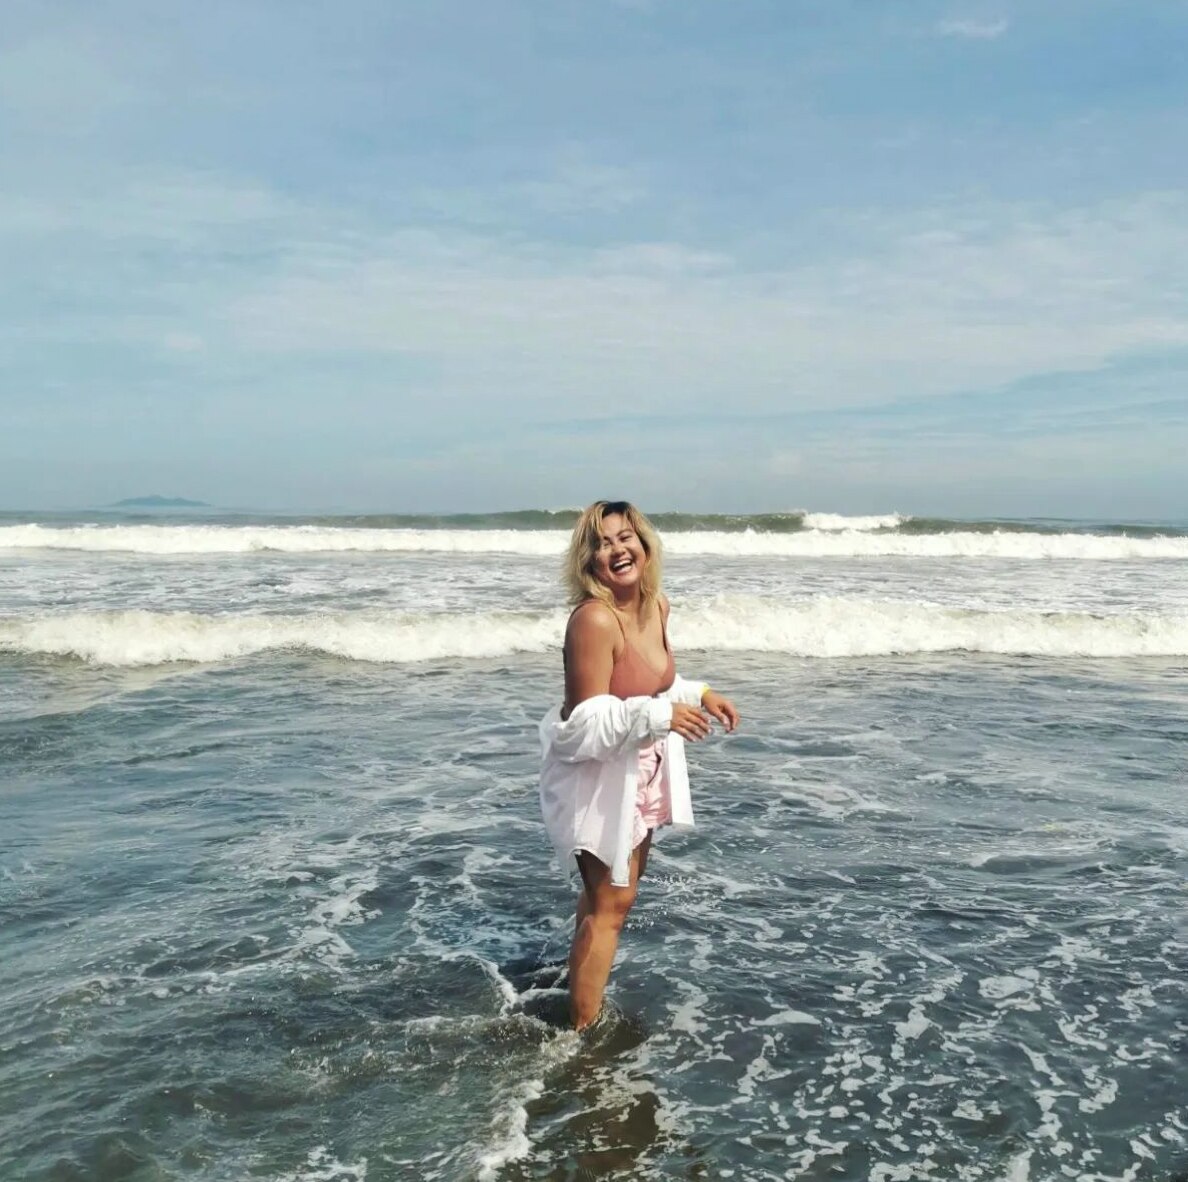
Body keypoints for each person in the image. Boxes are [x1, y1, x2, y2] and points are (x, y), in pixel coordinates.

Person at [539, 500, 740, 1029]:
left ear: (646, 545)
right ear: (588, 562)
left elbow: (649, 682)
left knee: (605, 898)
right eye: (601, 544)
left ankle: (574, 992)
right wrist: (658, 714)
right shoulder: (594, 620)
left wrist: (699, 692)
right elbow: (581, 726)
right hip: (597, 777)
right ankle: (580, 1042)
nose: (617, 550)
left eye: (625, 537)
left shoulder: (658, 606)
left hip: (640, 770)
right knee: (612, 906)